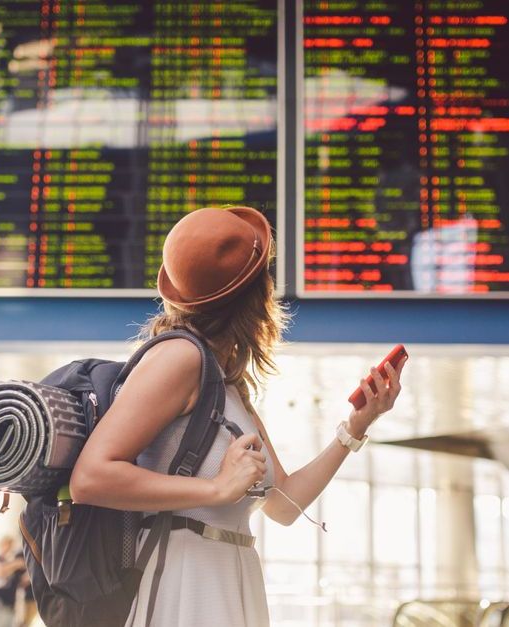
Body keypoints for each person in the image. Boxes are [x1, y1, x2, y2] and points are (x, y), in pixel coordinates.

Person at [70, 206, 404, 627]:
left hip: (229, 576)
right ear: (255, 293)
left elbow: (282, 505)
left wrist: (355, 428)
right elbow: (90, 478)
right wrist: (214, 490)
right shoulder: (180, 357)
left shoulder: (225, 380)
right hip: (185, 584)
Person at [0, 536, 26, 627]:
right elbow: (0, 571)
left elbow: (23, 581)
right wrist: (16, 564)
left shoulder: (14, 565)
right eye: (8, 545)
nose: (9, 549)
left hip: (9, 607)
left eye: (11, 546)